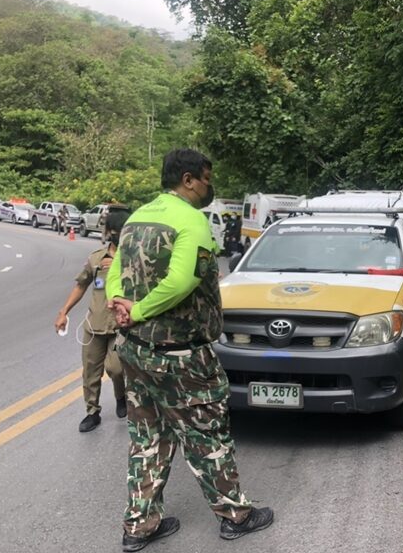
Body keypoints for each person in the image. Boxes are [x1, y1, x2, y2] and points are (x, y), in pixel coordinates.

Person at [106, 149, 273, 551]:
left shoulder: (137, 218)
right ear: (188, 179)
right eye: (206, 178)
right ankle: (236, 515)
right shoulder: (192, 221)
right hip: (181, 355)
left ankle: (140, 526)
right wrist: (142, 309)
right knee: (206, 433)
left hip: (136, 350)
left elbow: (114, 269)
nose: (209, 186)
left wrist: (120, 306)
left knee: (148, 436)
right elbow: (183, 281)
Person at [54, 209, 129, 432]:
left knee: (115, 369)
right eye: (111, 230)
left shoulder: (133, 259)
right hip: (95, 325)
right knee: (90, 371)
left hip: (120, 326)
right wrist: (63, 312)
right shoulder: (97, 258)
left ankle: (121, 395)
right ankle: (92, 412)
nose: (112, 233)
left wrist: (117, 268)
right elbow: (81, 285)